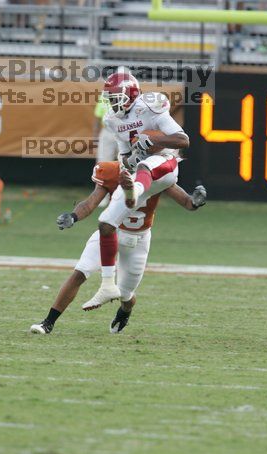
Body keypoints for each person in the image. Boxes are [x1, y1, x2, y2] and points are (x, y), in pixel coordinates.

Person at [30, 159, 206, 334]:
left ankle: (125, 311)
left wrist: (195, 201)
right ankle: (48, 322)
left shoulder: (156, 172)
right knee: (80, 272)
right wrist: (73, 216)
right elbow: (91, 202)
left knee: (125, 294)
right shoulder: (111, 171)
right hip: (110, 231)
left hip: (139, 239)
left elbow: (187, 202)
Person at [82, 71, 190, 310]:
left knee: (144, 166)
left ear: (130, 94)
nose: (111, 103)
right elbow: (124, 156)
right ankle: (108, 284)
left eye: (115, 97)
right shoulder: (112, 119)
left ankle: (136, 190)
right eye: (109, 98)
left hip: (165, 163)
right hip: (139, 172)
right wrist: (129, 160)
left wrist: (155, 142)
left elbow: (183, 140)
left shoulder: (150, 107)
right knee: (106, 221)